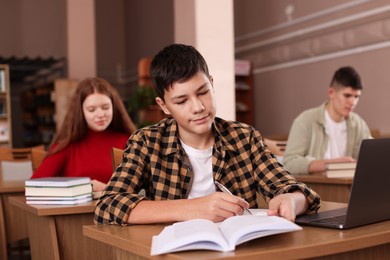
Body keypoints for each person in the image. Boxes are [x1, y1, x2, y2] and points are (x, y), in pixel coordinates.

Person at [94, 43, 320, 225]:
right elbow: (108, 205)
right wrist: (193, 208)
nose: (198, 107)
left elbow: (298, 191)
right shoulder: (147, 142)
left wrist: (291, 199)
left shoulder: (244, 138)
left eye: (203, 92)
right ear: (163, 106)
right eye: (181, 101)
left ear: (212, 84)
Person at [31, 77, 137, 191]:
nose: (100, 114)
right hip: (78, 209)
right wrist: (84, 188)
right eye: (91, 110)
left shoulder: (130, 141)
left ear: (114, 108)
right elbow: (34, 186)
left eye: (105, 107)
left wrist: (106, 189)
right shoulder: (67, 145)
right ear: (80, 112)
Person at [283, 66, 372, 174]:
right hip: (315, 188)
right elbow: (289, 164)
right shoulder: (305, 120)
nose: (353, 102)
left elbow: (372, 156)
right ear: (331, 92)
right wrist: (333, 164)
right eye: (347, 95)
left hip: (347, 188)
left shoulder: (358, 124)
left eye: (356, 96)